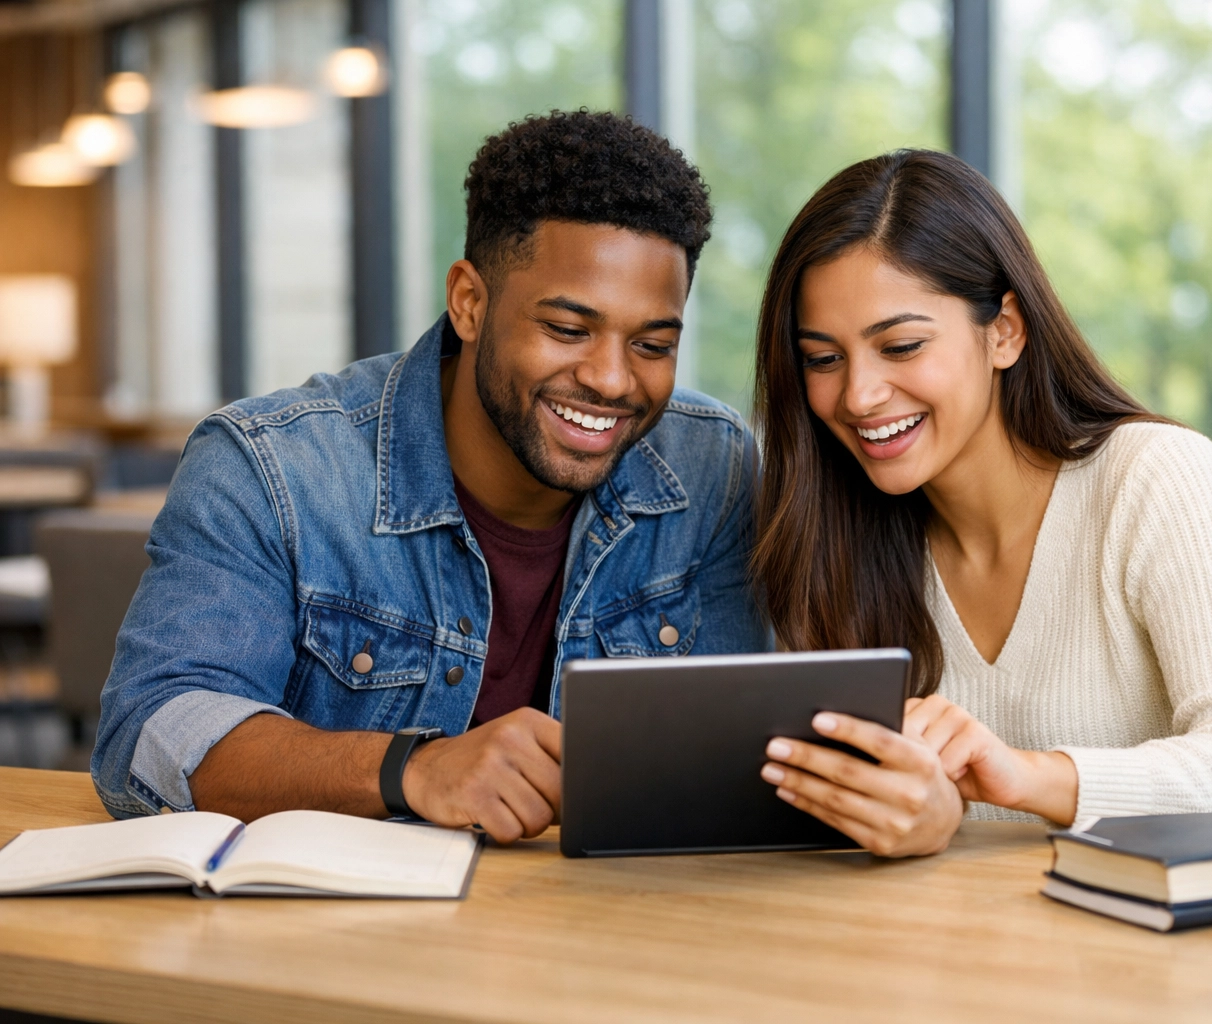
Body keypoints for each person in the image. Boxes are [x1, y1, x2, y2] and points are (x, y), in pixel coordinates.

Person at [93, 111, 770, 841]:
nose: (611, 380)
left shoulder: (714, 465)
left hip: (592, 929)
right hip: (322, 940)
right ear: (470, 302)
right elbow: (153, 730)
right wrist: (411, 771)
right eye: (568, 330)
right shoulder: (270, 466)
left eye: (651, 343)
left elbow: (726, 751)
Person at [751, 150, 1212, 858]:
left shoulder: (1154, 478)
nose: (858, 395)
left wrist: (1029, 777)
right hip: (947, 955)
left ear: (1004, 331)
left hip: (1155, 956)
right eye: (823, 360)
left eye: (901, 344)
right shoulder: (833, 536)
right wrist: (913, 816)